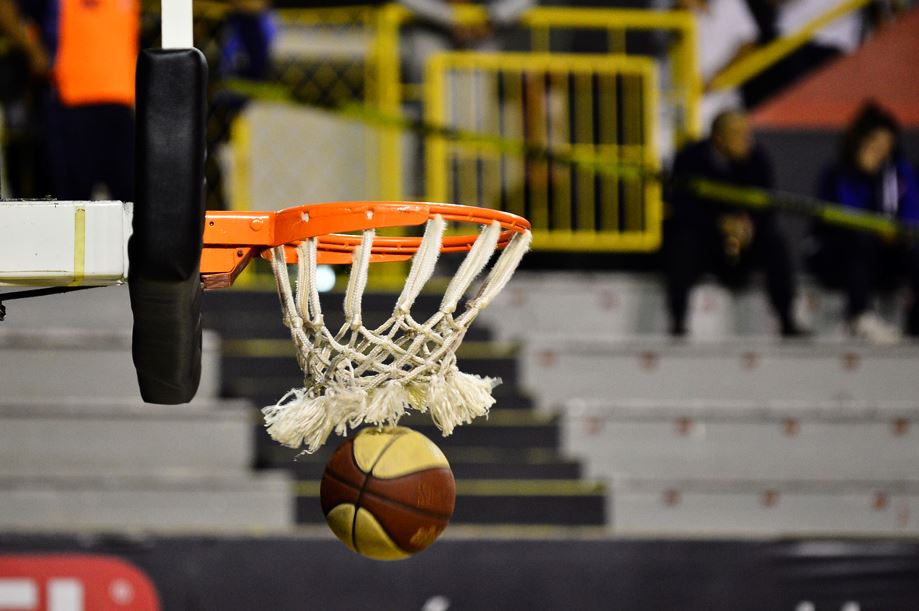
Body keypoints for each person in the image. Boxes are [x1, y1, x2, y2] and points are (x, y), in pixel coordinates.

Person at [664, 109, 805, 338]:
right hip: (706, 239)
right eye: (738, 134)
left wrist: (747, 226)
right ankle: (678, 321)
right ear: (719, 138)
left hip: (745, 238)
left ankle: (787, 320)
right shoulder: (690, 157)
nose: (746, 140)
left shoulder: (757, 158)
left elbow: (766, 205)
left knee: (775, 242)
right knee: (683, 243)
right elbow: (682, 207)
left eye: (747, 134)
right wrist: (719, 224)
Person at [808, 102, 919, 343]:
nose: (881, 151)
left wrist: (899, 232)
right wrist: (864, 175)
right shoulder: (838, 172)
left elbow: (912, 213)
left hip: (886, 254)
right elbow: (847, 218)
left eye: (887, 145)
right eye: (875, 144)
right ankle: (860, 316)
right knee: (859, 242)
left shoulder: (900, 171)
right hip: (840, 255)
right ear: (860, 142)